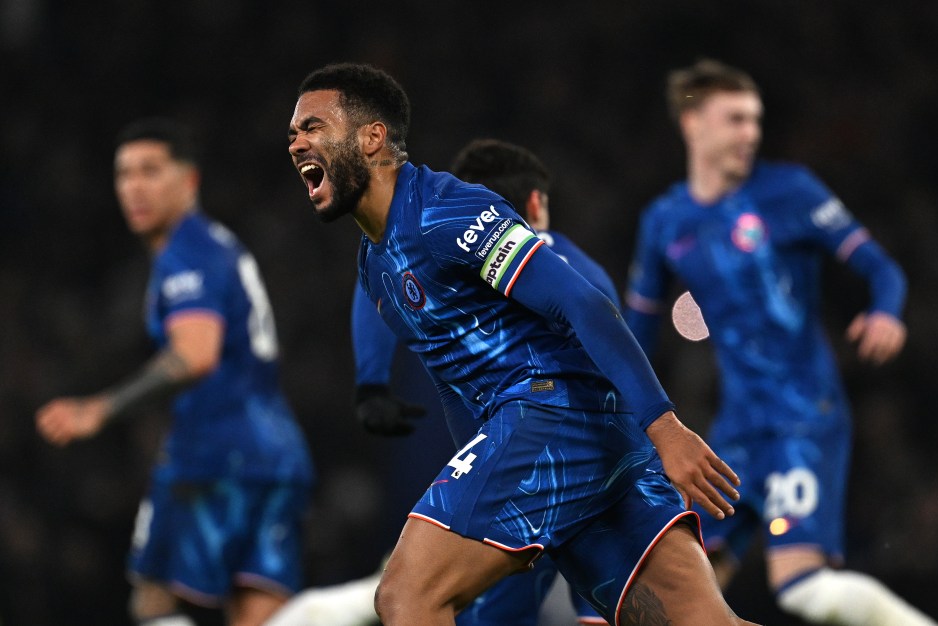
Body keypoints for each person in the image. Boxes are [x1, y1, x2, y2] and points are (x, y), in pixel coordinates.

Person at [287, 62, 755, 626]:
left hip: (548, 414)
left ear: (372, 137)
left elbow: (582, 302)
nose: (295, 143)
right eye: (293, 132)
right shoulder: (375, 263)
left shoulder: (445, 210)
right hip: (586, 441)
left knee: (406, 597)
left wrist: (666, 427)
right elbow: (455, 386)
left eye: (311, 127)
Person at [623, 59, 938, 625]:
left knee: (804, 591)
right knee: (683, 599)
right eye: (736, 119)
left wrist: (886, 312)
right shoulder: (665, 221)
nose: (751, 133)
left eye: (756, 120)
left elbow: (881, 269)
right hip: (735, 432)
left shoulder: (790, 191)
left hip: (803, 418)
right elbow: (636, 331)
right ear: (692, 123)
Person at [35, 118, 315, 626]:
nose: (134, 187)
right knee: (259, 616)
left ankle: (372, 598)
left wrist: (101, 408)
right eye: (124, 174)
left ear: (189, 182)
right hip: (274, 454)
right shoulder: (216, 244)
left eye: (150, 171)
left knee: (154, 599)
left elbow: (195, 353)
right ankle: (368, 601)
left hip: (215, 455)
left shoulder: (187, 253)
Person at [351, 138, 617, 625]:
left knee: (425, 598)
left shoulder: (437, 250)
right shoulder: (585, 273)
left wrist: (371, 382)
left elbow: (378, 275)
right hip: (598, 462)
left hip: (511, 463)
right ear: (536, 202)